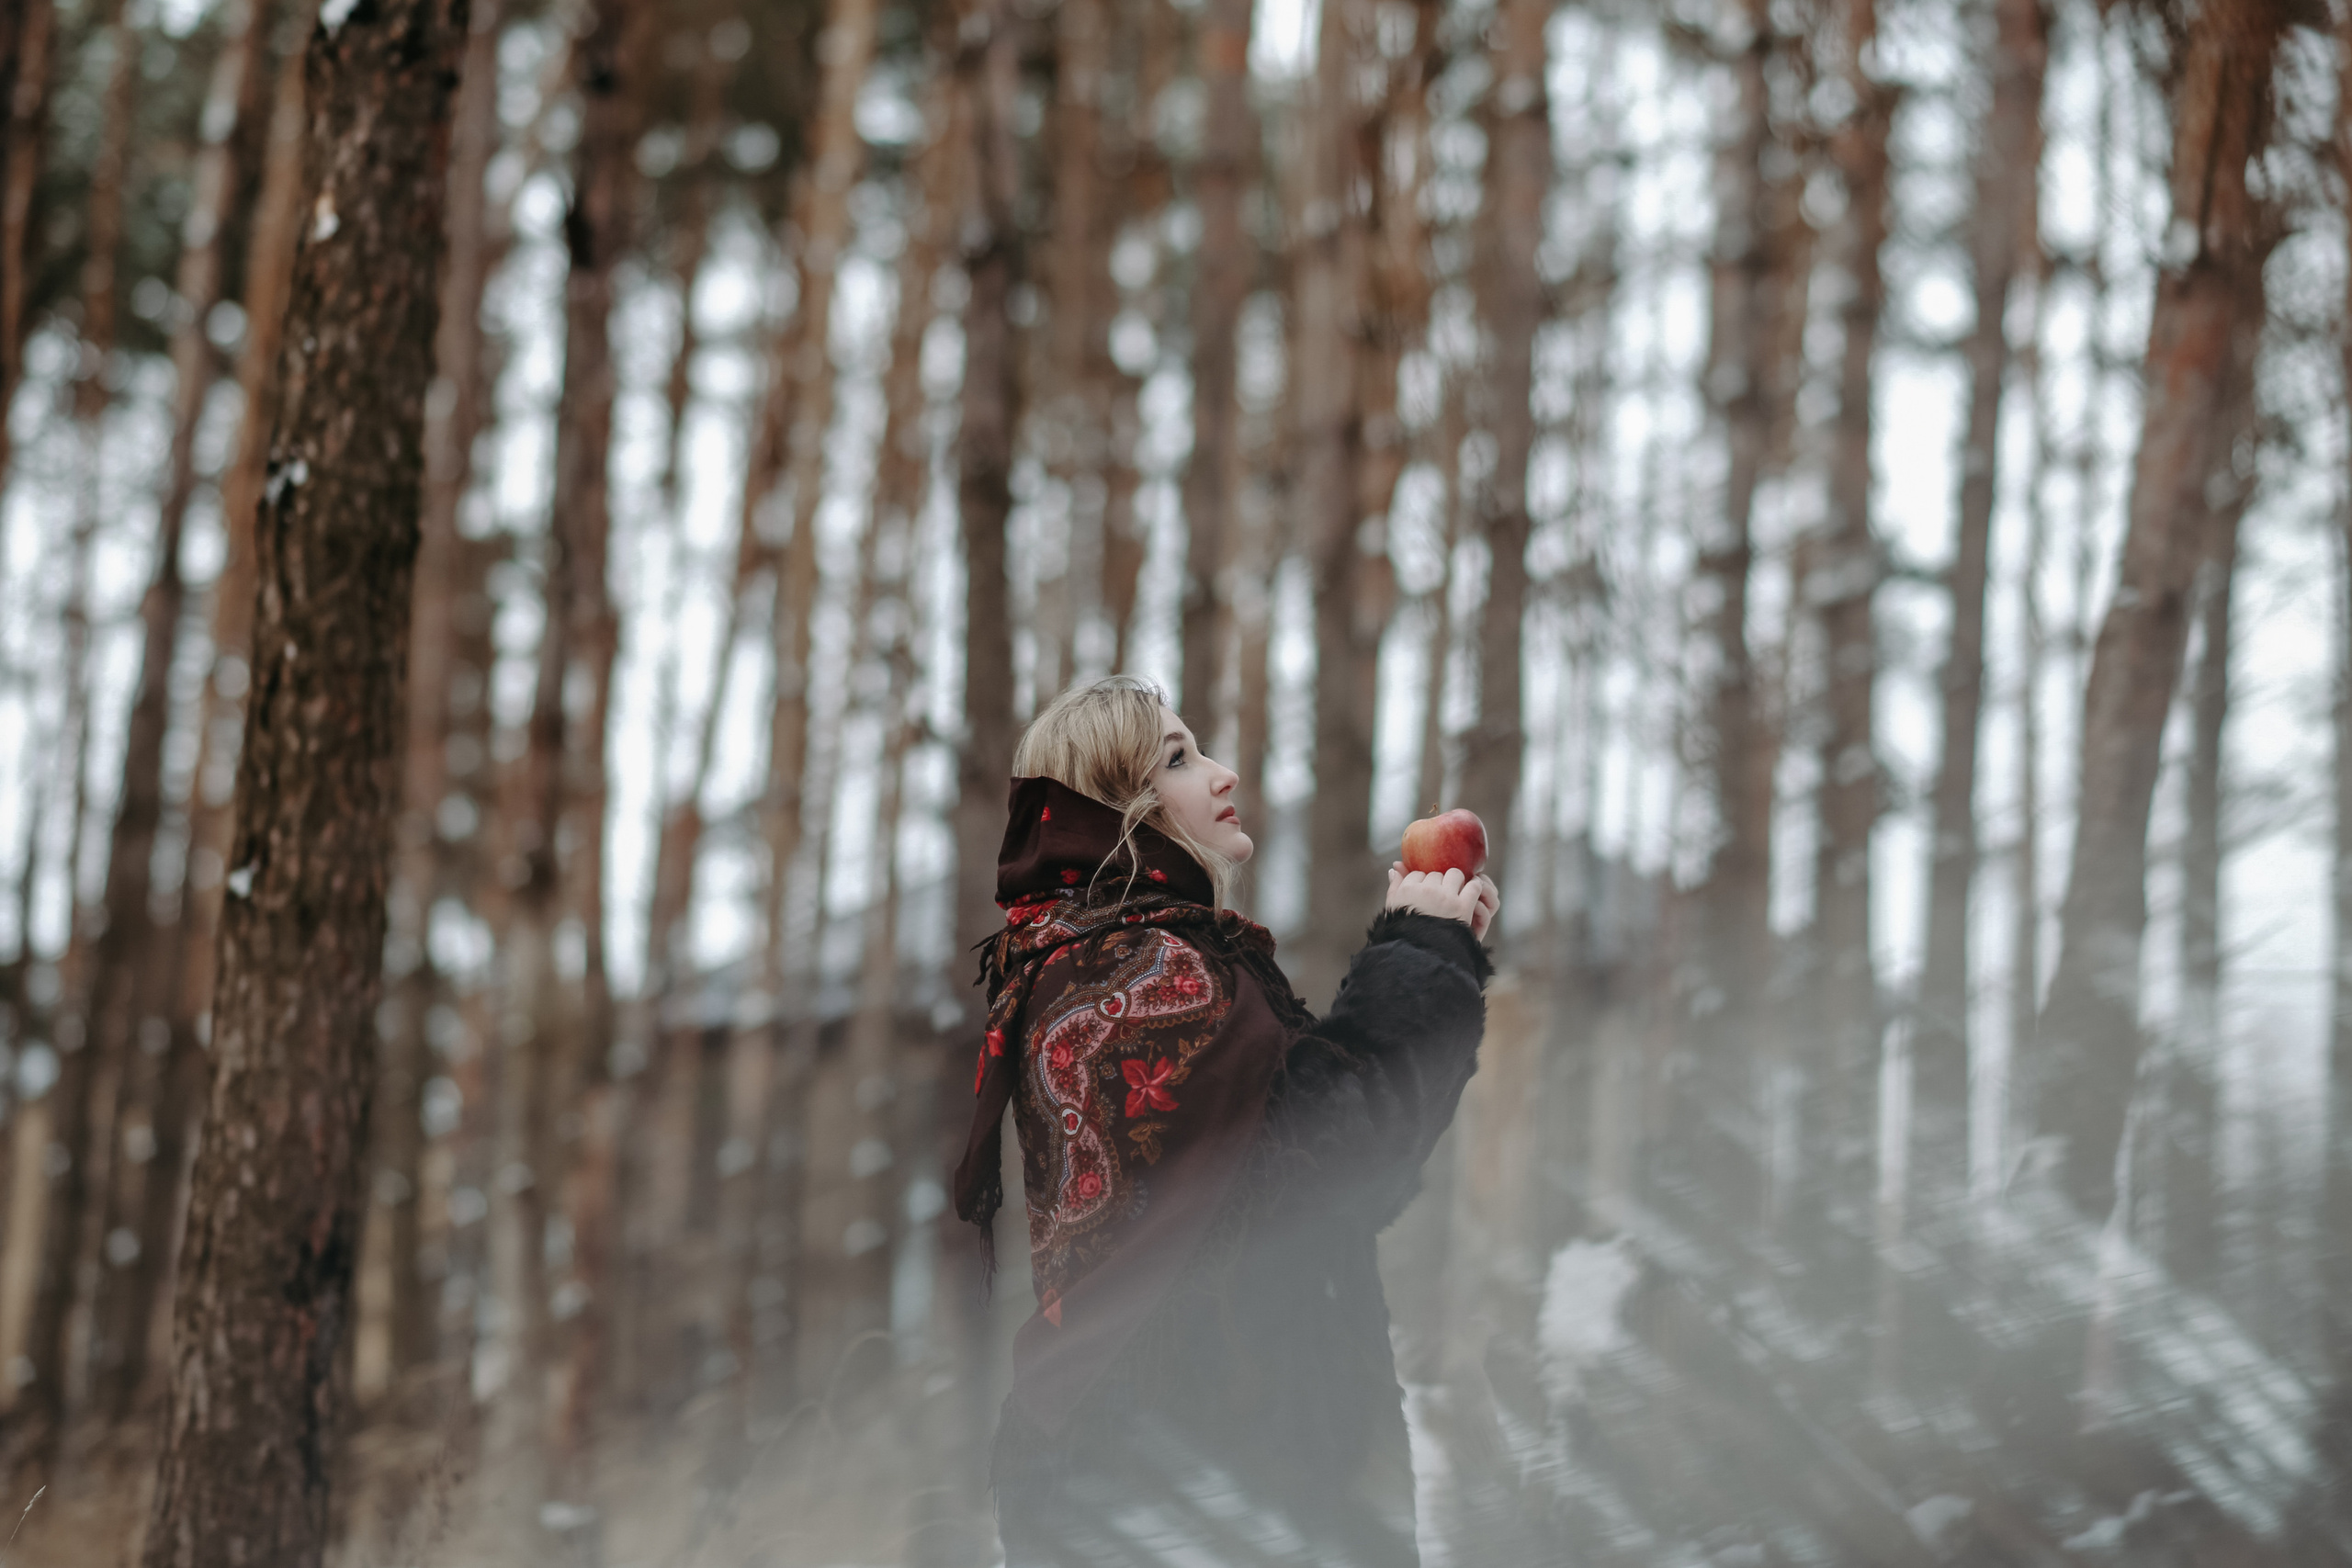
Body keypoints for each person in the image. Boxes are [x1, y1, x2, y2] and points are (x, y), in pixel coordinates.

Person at [955, 674, 1498, 1566]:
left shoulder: (1114, 960)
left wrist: (1436, 948)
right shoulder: (1140, 974)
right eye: (1176, 759)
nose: (1220, 773)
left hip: (1169, 1469)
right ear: (1115, 810)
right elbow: (1327, 1163)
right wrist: (1421, 951)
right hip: (1181, 1476)